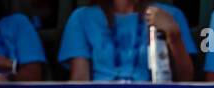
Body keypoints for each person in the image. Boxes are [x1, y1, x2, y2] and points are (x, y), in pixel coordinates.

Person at [60, 0, 196, 82]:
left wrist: (174, 35)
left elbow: (186, 79)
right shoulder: (82, 17)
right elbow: (80, 80)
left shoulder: (170, 15)